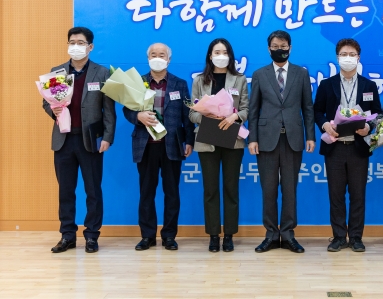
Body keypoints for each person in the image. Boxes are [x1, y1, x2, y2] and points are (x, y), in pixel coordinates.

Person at [43, 27, 116, 254]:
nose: (75, 46)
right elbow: (46, 102)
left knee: (93, 190)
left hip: (90, 141)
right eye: (72, 42)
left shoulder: (102, 73)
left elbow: (109, 110)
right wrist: (53, 110)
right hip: (63, 140)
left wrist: (107, 137)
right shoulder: (57, 72)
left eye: (80, 43)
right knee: (66, 190)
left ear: (90, 47)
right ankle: (67, 235)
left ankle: (92, 235)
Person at [248, 30, 316, 254]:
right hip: (266, 140)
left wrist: (310, 136)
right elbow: (253, 110)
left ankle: (287, 234)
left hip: (293, 139)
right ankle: (270, 234)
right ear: (269, 49)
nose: (280, 49)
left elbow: (307, 107)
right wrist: (252, 138)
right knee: (268, 189)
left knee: (289, 189)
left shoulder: (301, 73)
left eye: (283, 46)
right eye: (275, 46)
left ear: (290, 48)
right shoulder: (260, 74)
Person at [123, 43, 194, 251]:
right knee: (146, 192)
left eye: (161, 55)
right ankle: (147, 236)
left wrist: (189, 141)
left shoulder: (180, 84)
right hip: (146, 145)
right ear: (148, 58)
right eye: (153, 54)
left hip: (172, 145)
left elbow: (187, 115)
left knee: (172, 193)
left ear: (168, 59)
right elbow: (127, 110)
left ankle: (169, 236)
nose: (157, 58)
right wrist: (138, 116)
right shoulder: (138, 83)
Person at [313, 38, 382, 253]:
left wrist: (369, 128)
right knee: (336, 195)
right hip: (335, 146)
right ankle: (338, 237)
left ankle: (356, 237)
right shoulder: (327, 84)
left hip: (358, 147)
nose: (348, 58)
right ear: (337, 57)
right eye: (344, 54)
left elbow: (377, 114)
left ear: (358, 58)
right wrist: (324, 125)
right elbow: (317, 111)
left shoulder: (369, 85)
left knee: (358, 194)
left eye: (352, 54)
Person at [189, 38, 249, 253]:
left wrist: (235, 117)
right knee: (210, 190)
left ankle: (229, 235)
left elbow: (246, 108)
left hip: (233, 139)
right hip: (207, 138)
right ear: (210, 55)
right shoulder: (199, 80)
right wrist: (208, 118)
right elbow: (192, 113)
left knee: (231, 189)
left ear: (230, 56)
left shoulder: (240, 79)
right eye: (217, 52)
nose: (220, 55)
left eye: (224, 52)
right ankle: (213, 235)